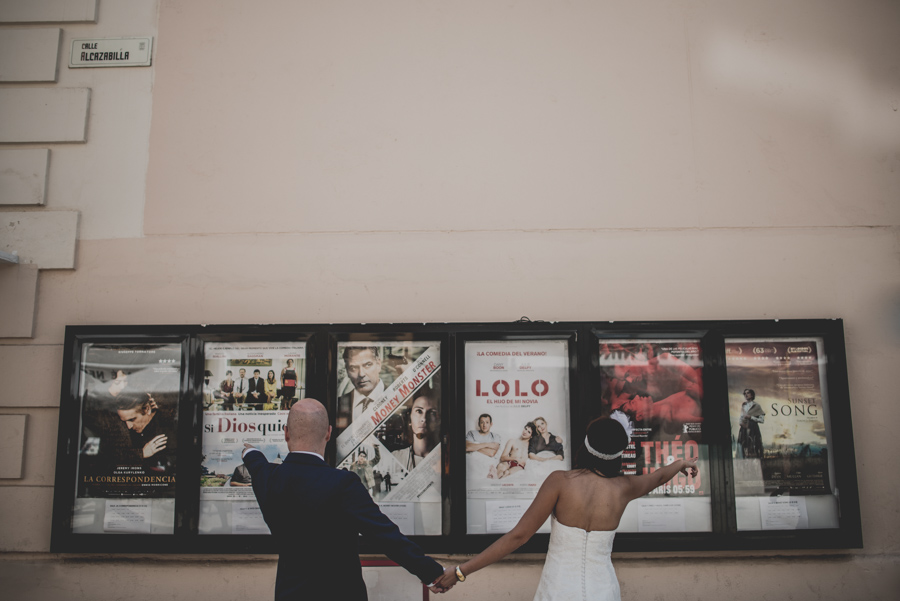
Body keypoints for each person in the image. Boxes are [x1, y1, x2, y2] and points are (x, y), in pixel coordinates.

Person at [433, 413, 699, 599]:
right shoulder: (625, 488)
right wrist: (681, 464)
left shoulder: (560, 481)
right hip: (604, 592)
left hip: (558, 591)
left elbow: (518, 536)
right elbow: (658, 477)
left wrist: (459, 571)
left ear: (587, 446)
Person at [241, 398, 446, 599]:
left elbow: (254, 460)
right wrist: (432, 573)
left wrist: (248, 451)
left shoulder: (268, 478)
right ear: (329, 434)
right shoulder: (343, 484)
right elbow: (385, 535)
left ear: (286, 433)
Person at [115, 391, 177, 473]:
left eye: (132, 419)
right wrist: (141, 454)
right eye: (124, 421)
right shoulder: (123, 431)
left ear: (147, 409)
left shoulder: (169, 431)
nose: (128, 426)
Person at [337, 346, 386, 429]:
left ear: (378, 364)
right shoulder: (338, 405)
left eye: (367, 365)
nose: (361, 374)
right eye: (353, 368)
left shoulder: (398, 397)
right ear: (347, 371)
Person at [391, 391, 440, 471]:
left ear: (438, 420)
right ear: (410, 418)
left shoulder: (444, 458)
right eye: (419, 411)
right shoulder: (396, 457)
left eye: (431, 413)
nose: (423, 419)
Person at [737, 388, 765, 458]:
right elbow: (741, 416)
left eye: (748, 393)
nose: (746, 395)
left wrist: (751, 417)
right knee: (743, 444)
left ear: (752, 395)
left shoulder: (757, 406)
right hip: (744, 428)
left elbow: (761, 420)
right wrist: (740, 423)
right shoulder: (744, 406)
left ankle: (756, 458)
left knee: (754, 443)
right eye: (744, 393)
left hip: (753, 428)